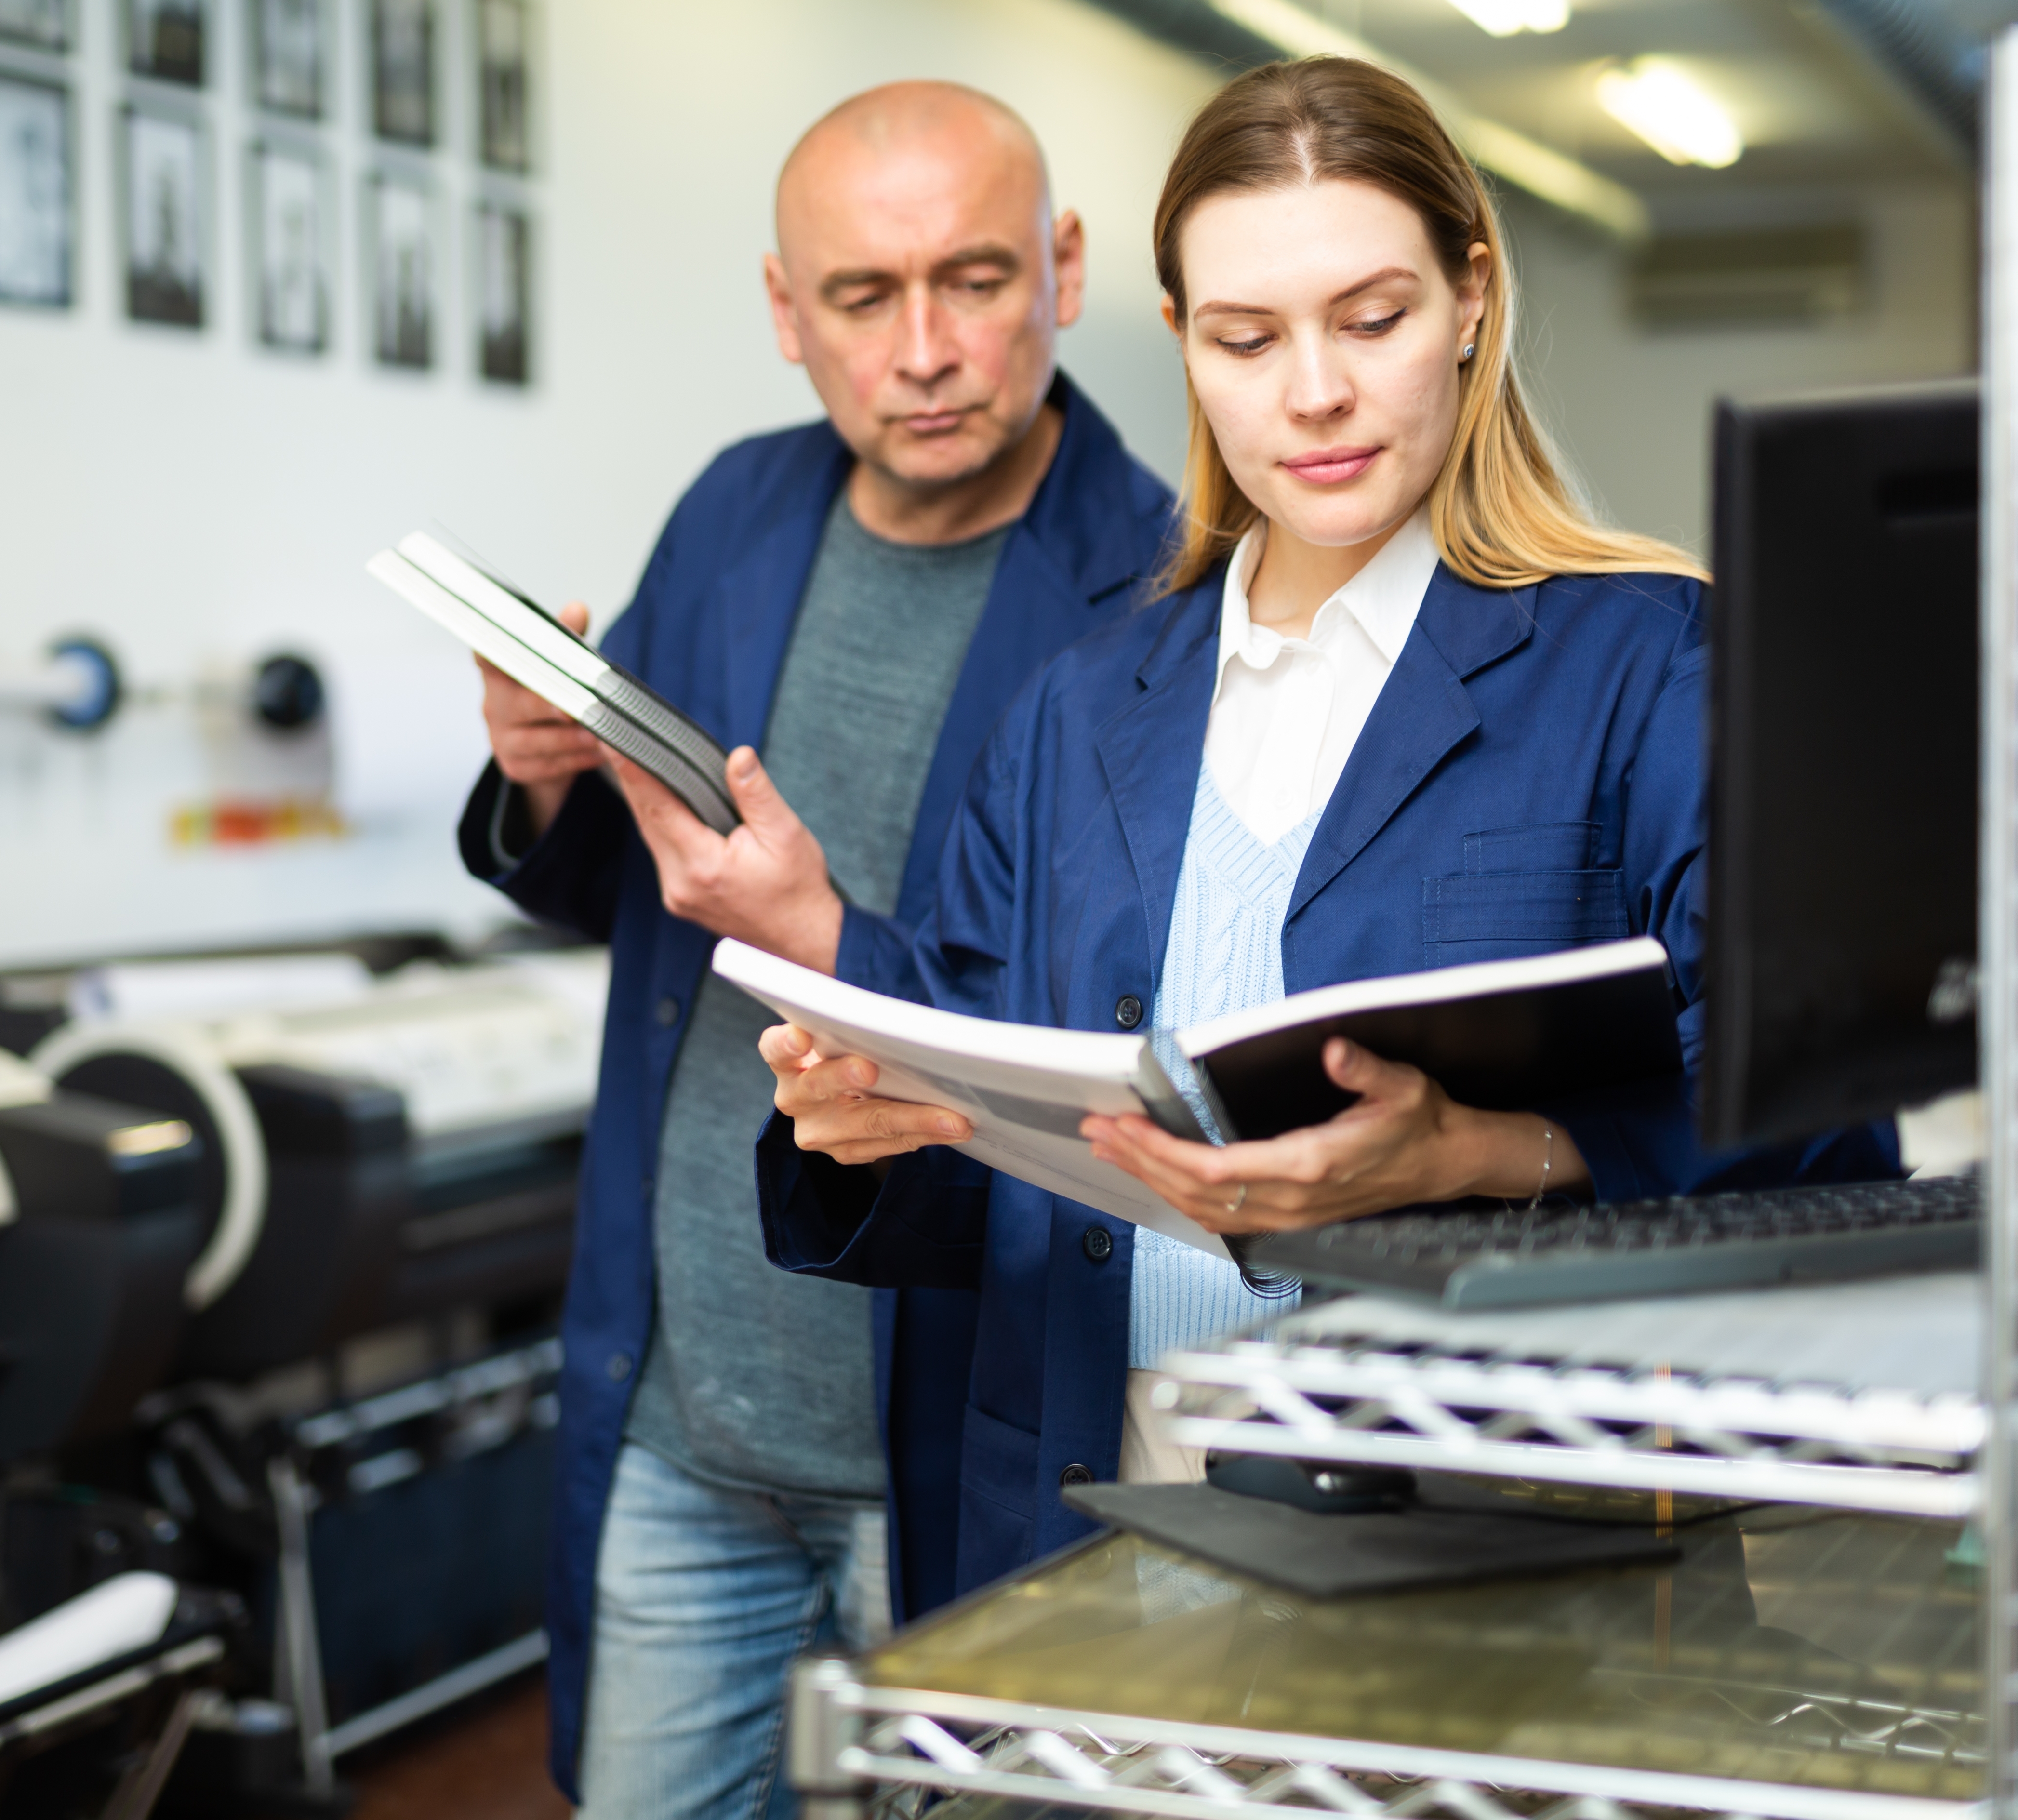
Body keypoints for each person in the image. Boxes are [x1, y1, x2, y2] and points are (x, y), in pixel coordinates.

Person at [757, 56, 1899, 1595]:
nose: (1311, 392)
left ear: (1470, 297)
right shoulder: (1078, 707)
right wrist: (859, 1131)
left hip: (1488, 1579)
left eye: (1371, 319)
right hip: (1083, 1552)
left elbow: (1821, 1143)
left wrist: (1492, 1150)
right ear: (1180, 342)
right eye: (1244, 337)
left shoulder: (1653, 662)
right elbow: (1015, 1150)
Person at [458, 82, 1172, 1816]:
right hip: (684, 1419)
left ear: (1062, 272)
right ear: (790, 315)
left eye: (974, 279)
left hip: (959, 1446)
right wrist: (539, 778)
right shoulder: (733, 517)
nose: (923, 349)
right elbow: (634, 895)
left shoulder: (1167, 581)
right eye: (862, 297)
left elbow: (1118, 1036)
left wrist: (829, 936)